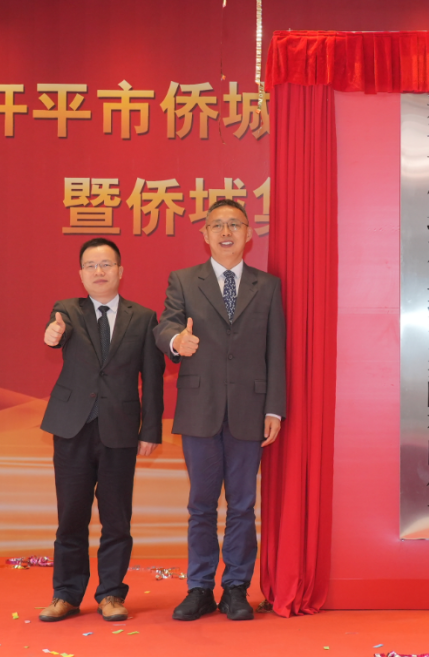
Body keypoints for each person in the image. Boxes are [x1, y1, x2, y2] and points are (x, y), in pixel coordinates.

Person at [154, 198, 286, 621]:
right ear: (205, 234)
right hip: (200, 407)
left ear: (249, 234)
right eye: (217, 225)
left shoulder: (267, 286)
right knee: (201, 505)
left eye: (234, 224)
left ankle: (235, 588)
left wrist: (275, 409)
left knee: (243, 505)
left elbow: (276, 351)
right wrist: (177, 341)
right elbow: (165, 325)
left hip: (250, 409)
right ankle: (199, 588)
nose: (226, 232)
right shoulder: (183, 280)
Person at [38, 238, 165, 622]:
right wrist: (52, 334)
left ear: (120, 271)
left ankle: (111, 593)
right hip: (72, 429)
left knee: (117, 520)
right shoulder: (67, 311)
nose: (99, 271)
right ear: (81, 274)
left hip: (120, 430)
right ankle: (66, 594)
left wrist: (151, 429)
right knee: (71, 517)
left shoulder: (143, 318)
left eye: (106, 264)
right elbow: (55, 331)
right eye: (91, 265)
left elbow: (153, 379)